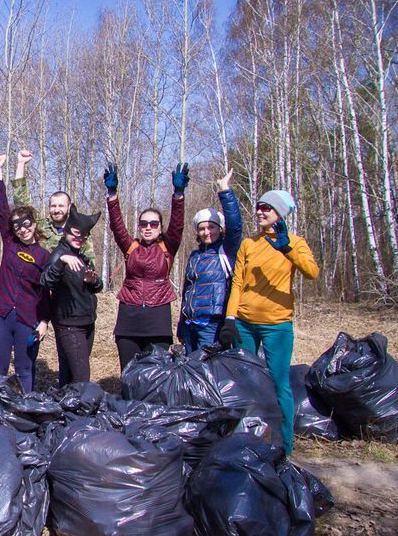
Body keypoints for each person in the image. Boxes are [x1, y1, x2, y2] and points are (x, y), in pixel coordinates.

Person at [219, 190, 319, 456]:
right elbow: (238, 283)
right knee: (244, 382)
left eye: (267, 208)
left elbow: (312, 272)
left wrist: (286, 248)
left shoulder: (294, 243)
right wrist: (230, 318)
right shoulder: (248, 244)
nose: (260, 212)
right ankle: (245, 439)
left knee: (278, 383)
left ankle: (284, 446)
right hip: (244, 324)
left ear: (280, 213)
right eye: (259, 207)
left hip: (277, 325)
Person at [107, 162, 187, 371]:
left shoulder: (167, 247)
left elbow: (177, 225)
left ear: (160, 228)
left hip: (158, 317)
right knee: (129, 373)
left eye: (153, 224)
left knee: (157, 375)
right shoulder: (131, 246)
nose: (148, 227)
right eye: (144, 224)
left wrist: (178, 195)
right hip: (129, 316)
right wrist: (112, 195)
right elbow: (117, 226)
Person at [0, 152, 51, 392]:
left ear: (34, 225)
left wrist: (44, 321)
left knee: (24, 370)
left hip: (27, 318)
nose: (22, 229)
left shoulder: (44, 256)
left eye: (26, 224)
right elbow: (2, 209)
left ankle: (25, 410)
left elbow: (45, 292)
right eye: (17, 225)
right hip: (0, 315)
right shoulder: (9, 243)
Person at [177, 169, 243, 353]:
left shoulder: (226, 250)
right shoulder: (194, 256)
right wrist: (182, 323)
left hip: (212, 326)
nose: (207, 232)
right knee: (192, 371)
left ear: (220, 229)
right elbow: (187, 291)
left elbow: (235, 225)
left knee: (208, 372)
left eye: (211, 227)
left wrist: (224, 190)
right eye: (202, 228)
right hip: (190, 324)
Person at [40, 204, 103, 386]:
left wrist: (93, 281)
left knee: (69, 374)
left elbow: (97, 287)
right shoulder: (59, 255)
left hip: (87, 322)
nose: (80, 238)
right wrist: (61, 262)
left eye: (84, 235)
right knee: (81, 377)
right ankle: (79, 410)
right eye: (76, 233)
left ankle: (66, 410)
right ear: (67, 231)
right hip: (69, 325)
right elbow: (45, 282)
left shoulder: (82, 257)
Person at [11, 153, 96, 267]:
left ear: (69, 208)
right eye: (53, 206)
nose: (56, 210)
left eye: (61, 206)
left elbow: (90, 263)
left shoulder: (78, 232)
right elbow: (21, 202)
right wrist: (21, 164)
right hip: (40, 280)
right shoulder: (41, 226)